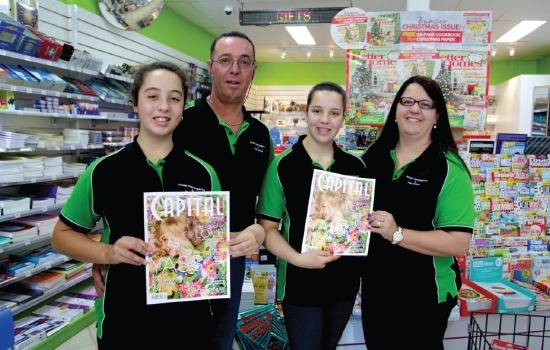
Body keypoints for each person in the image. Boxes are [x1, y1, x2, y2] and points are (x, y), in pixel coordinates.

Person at [91, 31, 272, 349]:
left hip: (231, 256)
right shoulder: (180, 122)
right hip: (175, 257)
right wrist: (103, 254)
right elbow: (135, 187)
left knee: (218, 339)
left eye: (244, 62)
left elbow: (265, 203)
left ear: (253, 70)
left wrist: (258, 231)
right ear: (210, 66)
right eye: (225, 61)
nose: (235, 70)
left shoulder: (261, 135)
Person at [51, 61, 222, 348]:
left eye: (174, 98)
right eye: (153, 96)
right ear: (135, 103)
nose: (164, 106)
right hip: (125, 322)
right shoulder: (103, 171)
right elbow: (62, 237)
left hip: (190, 323)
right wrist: (107, 252)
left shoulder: (204, 173)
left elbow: (212, 243)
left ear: (183, 109)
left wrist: (249, 235)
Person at [360, 75, 474, 349]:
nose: (414, 109)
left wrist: (397, 234)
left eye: (425, 104)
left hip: (424, 295)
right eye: (407, 101)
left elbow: (458, 242)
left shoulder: (450, 169)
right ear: (396, 110)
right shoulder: (372, 157)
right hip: (377, 290)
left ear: (437, 116)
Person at [256, 81, 366, 350]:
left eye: (334, 113)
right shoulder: (282, 166)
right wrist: (298, 259)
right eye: (317, 111)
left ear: (343, 117)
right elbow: (267, 229)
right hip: (299, 284)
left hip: (344, 282)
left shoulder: (356, 167)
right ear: (306, 112)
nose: (324, 120)